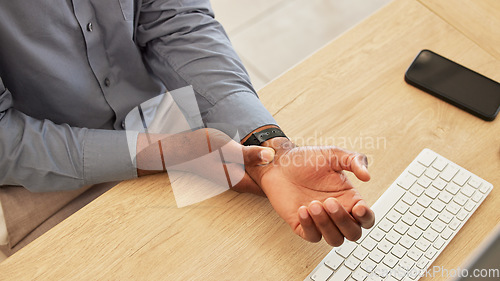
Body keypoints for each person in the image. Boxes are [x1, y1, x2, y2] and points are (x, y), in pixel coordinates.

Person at [0, 0, 375, 256]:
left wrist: (269, 147)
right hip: (30, 176)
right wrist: (171, 154)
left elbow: (178, 23)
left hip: (162, 124)